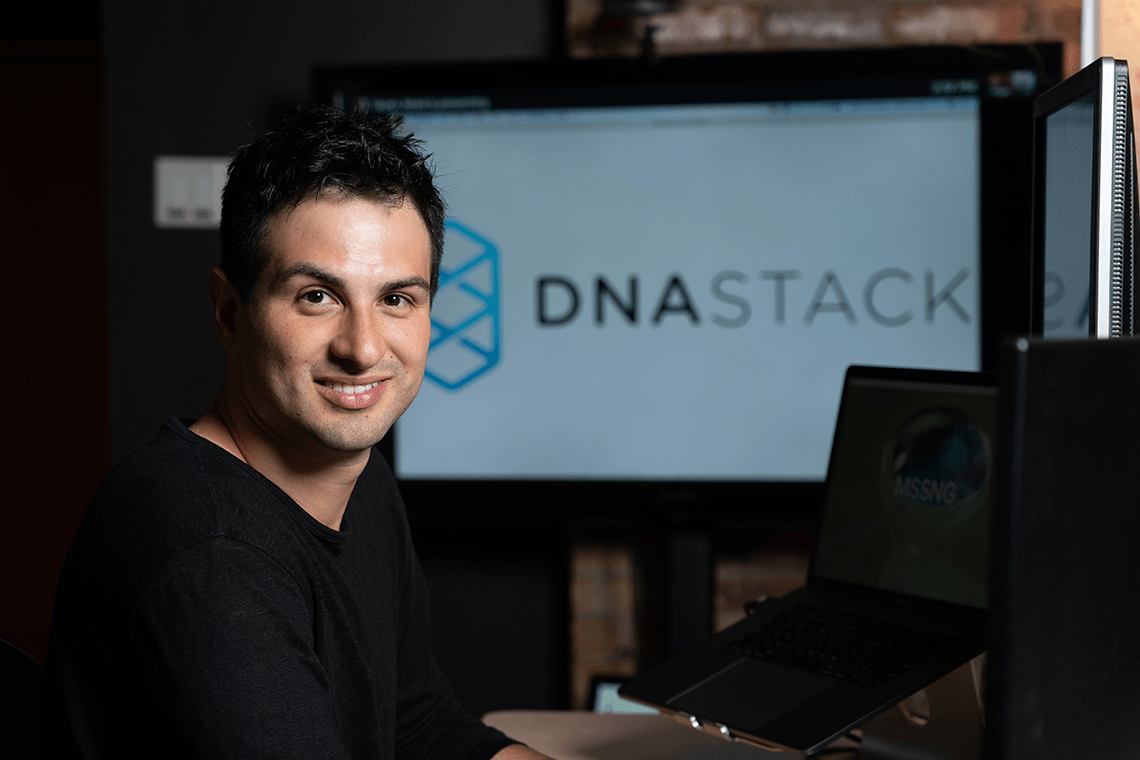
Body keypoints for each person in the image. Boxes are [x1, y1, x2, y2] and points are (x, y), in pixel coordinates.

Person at [39, 105, 547, 760]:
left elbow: (418, 725)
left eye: (396, 299)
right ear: (229, 312)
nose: (363, 349)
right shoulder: (209, 552)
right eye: (318, 296)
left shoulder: (358, 479)